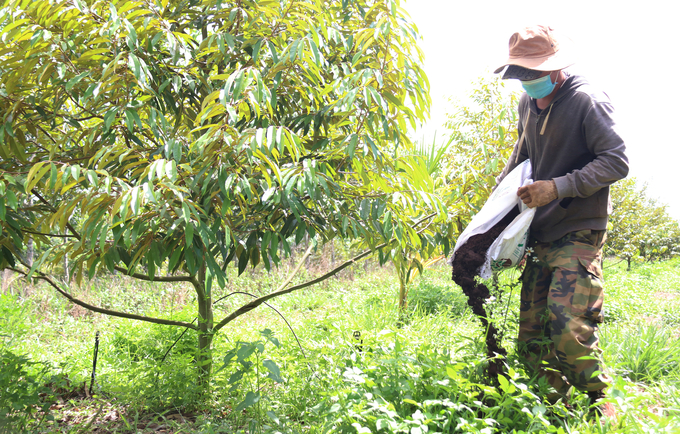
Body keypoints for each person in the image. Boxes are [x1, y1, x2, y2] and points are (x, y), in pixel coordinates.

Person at [493, 25, 629, 418]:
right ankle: (556, 410)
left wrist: (558, 187)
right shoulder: (526, 105)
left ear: (554, 69)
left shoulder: (587, 100)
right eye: (520, 74)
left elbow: (616, 161)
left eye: (532, 73)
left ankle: (602, 405)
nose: (526, 82)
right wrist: (495, 213)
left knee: (567, 322)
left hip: (578, 227)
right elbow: (521, 158)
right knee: (532, 333)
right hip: (540, 231)